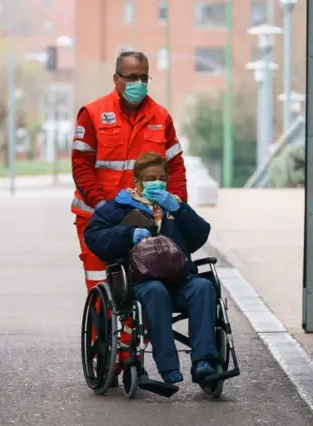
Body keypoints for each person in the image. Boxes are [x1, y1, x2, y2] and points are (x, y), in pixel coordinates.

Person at [83, 152, 218, 385]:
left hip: (179, 278)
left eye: (162, 177)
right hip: (141, 282)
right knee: (156, 291)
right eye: (151, 177)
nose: (158, 182)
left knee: (204, 287)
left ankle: (204, 362)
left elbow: (199, 236)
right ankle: (168, 367)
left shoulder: (173, 206)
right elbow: (93, 236)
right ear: (137, 181)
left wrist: (178, 209)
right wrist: (127, 235)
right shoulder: (119, 207)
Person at [71, 51, 188, 292]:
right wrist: (101, 205)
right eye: (132, 77)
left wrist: (178, 206)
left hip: (146, 220)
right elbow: (81, 166)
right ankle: (100, 329)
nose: (139, 84)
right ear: (116, 79)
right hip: (98, 217)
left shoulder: (161, 116)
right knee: (101, 284)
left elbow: (175, 167)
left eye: (144, 78)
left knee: (142, 286)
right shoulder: (92, 114)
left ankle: (132, 331)